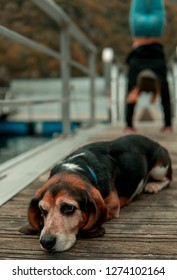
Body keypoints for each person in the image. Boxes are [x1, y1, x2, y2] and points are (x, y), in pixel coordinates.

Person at [125, 0, 172, 133]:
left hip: (147, 41)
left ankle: (129, 126)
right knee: (165, 92)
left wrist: (128, 126)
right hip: (146, 44)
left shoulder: (140, 68)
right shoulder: (157, 68)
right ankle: (167, 126)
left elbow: (130, 96)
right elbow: (166, 98)